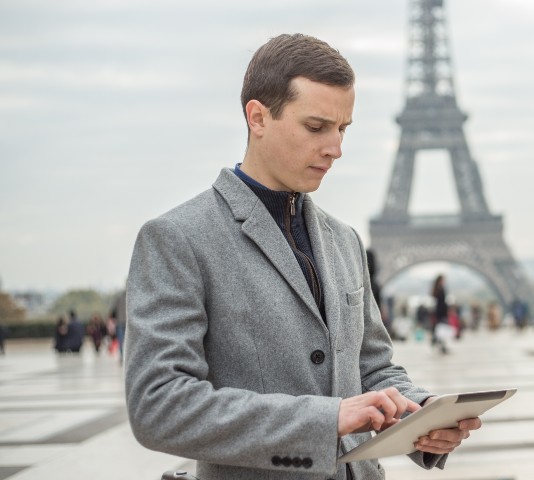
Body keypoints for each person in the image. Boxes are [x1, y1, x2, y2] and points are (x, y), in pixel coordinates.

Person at [124, 34, 480, 480]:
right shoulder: (177, 239)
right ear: (258, 117)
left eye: (343, 128)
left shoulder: (345, 240)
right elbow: (158, 404)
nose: (336, 148)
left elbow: (370, 367)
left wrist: (420, 413)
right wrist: (324, 420)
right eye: (316, 127)